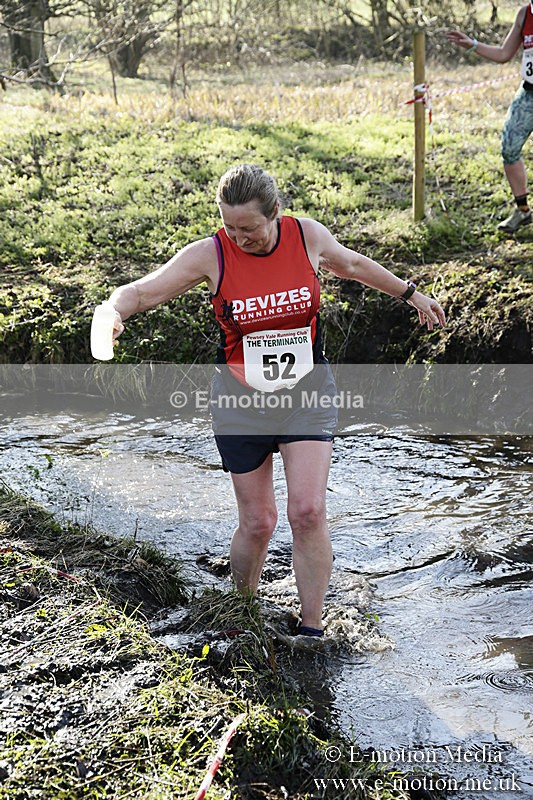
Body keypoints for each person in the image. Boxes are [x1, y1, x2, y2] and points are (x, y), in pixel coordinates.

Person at [105, 164, 446, 638]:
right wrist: (112, 311)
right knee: (259, 521)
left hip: (306, 392)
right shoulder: (212, 255)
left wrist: (411, 294)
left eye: (249, 227)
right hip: (240, 402)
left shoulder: (307, 236)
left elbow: (351, 264)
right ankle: (242, 609)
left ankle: (311, 629)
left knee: (306, 511)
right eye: (229, 226)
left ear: (275, 215)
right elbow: (142, 291)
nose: (239, 237)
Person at [447, 8, 533, 233]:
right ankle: (523, 211)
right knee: (509, 149)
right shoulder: (525, 14)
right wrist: (472, 45)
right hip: (528, 94)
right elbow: (504, 54)